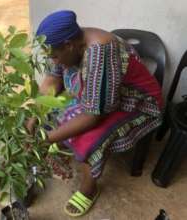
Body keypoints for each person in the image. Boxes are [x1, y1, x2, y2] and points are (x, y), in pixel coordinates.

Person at [30, 10, 163, 217]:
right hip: (102, 96)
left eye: (55, 56)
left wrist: (46, 139)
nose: (53, 61)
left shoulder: (101, 52)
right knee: (56, 113)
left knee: (88, 138)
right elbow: (51, 81)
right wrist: (33, 115)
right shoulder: (64, 40)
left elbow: (93, 116)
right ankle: (63, 145)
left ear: (68, 45)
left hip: (137, 101)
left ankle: (89, 188)